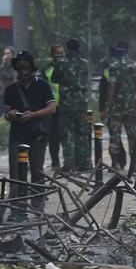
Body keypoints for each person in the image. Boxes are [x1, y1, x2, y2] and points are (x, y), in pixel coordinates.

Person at [4, 51, 56, 220]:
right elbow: (7, 112)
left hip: (37, 136)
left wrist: (33, 114)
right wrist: (11, 115)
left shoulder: (42, 86)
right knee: (16, 176)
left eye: (26, 65)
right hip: (17, 136)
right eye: (19, 66)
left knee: (37, 173)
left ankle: (37, 210)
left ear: (32, 68)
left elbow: (52, 108)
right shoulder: (11, 90)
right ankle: (17, 211)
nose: (23, 70)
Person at [102, 42, 136, 171]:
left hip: (116, 106)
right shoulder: (135, 65)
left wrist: (107, 105)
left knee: (115, 135)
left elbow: (111, 86)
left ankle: (116, 163)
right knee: (132, 134)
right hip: (132, 105)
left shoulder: (114, 66)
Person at [52, 38, 91, 172]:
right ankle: (85, 163)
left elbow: (54, 79)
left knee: (67, 134)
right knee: (82, 133)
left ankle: (69, 164)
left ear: (67, 49)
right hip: (82, 103)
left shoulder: (62, 63)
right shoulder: (84, 63)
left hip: (67, 104)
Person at [42, 45, 66, 168]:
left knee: (67, 135)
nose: (60, 55)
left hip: (67, 107)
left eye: (62, 52)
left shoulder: (69, 66)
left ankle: (69, 162)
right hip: (53, 108)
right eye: (57, 53)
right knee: (53, 136)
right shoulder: (47, 69)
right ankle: (55, 162)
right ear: (53, 54)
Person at [0, 47, 16, 113]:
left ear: (12, 54)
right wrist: (3, 63)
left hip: (13, 86)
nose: (6, 55)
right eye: (5, 53)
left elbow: (15, 77)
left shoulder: (15, 64)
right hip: (4, 87)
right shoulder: (3, 65)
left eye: (8, 53)